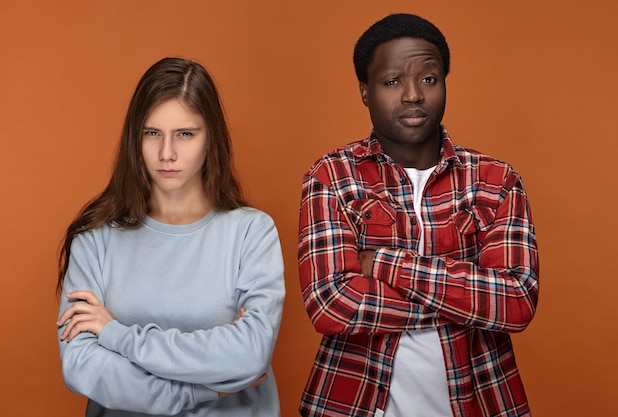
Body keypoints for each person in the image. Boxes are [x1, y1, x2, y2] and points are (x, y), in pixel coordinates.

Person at [297, 13, 539, 417]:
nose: (412, 95)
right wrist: (469, 301)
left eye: (428, 79)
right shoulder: (332, 176)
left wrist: (384, 264)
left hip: (479, 400)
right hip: (351, 403)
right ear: (364, 91)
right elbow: (331, 303)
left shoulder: (497, 180)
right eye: (392, 81)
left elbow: (516, 302)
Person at [56, 57, 285, 417]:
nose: (166, 153)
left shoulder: (251, 233)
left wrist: (117, 335)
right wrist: (201, 391)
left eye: (185, 134)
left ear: (212, 138)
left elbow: (250, 355)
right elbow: (82, 367)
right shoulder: (95, 238)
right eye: (152, 133)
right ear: (135, 138)